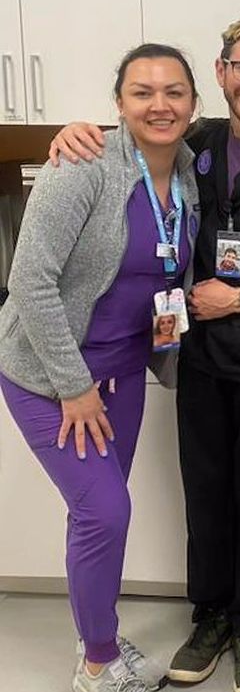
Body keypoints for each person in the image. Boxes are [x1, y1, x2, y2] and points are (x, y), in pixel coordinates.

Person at [48, 13, 240, 692]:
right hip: (200, 359)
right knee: (207, 494)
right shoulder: (195, 142)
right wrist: (72, 131)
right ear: (220, 72)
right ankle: (209, 617)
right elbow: (129, 136)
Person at [0, 43, 200, 692]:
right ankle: (97, 664)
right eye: (142, 91)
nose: (159, 104)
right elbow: (30, 281)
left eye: (174, 91)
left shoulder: (189, 173)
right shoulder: (82, 164)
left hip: (124, 371)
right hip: (49, 374)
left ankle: (99, 639)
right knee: (105, 511)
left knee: (99, 516)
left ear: (194, 104)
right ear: (119, 103)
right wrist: (74, 386)